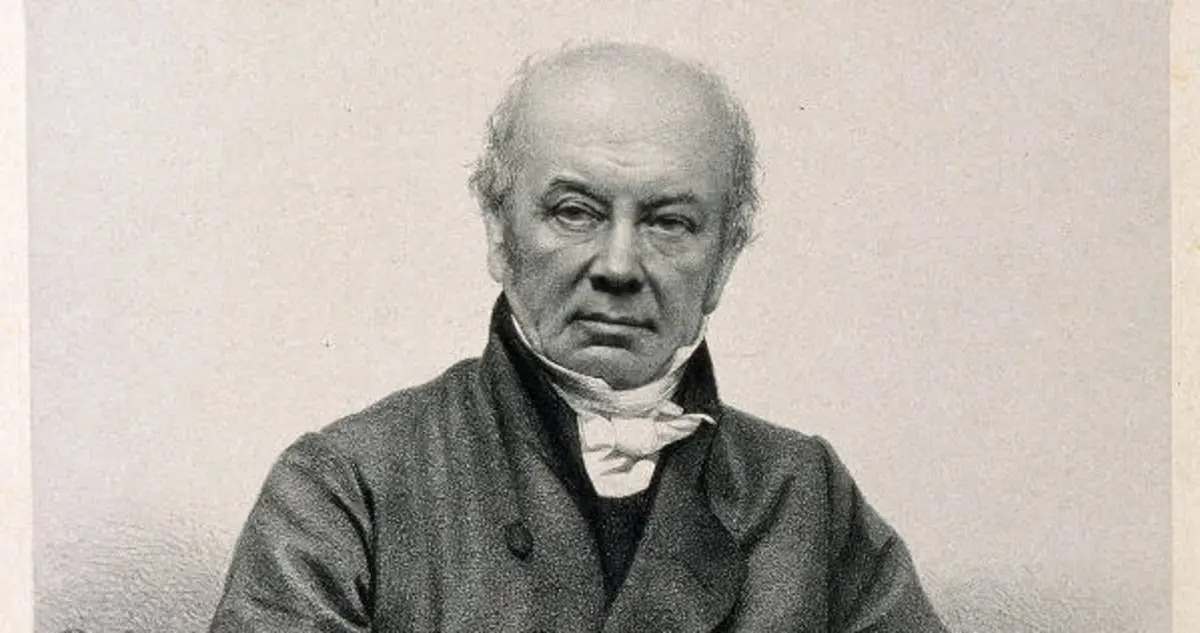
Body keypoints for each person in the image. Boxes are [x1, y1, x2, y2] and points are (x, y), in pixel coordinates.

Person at [210, 42, 947, 632]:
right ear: (499, 232)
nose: (619, 265)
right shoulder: (346, 487)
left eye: (669, 222)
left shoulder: (806, 497)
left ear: (723, 259)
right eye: (574, 211)